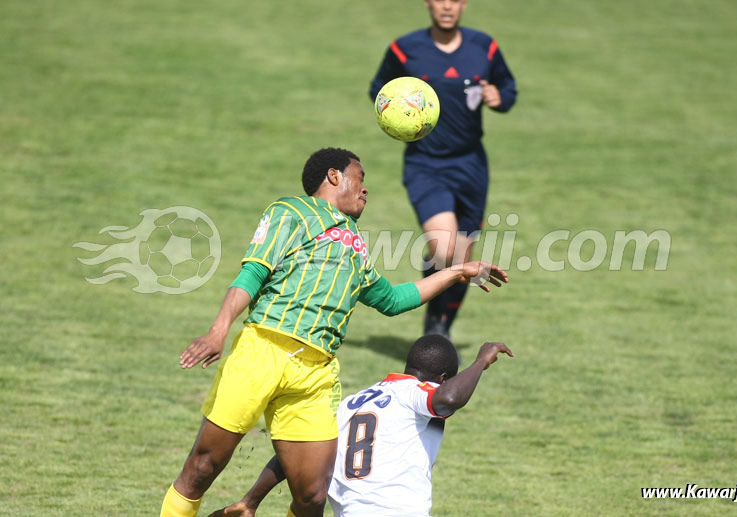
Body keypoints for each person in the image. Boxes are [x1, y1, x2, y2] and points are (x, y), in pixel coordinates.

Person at [160, 147, 509, 517]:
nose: (365, 189)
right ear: (333, 176)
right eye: (360, 178)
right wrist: (218, 330)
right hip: (264, 349)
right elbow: (252, 272)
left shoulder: (356, 246)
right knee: (203, 467)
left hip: (316, 374)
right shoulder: (290, 212)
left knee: (311, 495)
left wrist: (458, 271)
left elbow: (393, 299)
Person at [209, 335, 514, 517]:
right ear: (444, 377)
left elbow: (298, 456)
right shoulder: (415, 393)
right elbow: (447, 399)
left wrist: (251, 501)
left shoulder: (351, 404)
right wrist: (480, 362)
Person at [369, 0, 517, 343]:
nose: (447, 6)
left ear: (463, 4)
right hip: (425, 164)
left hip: (470, 165)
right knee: (444, 247)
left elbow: (508, 87)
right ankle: (434, 321)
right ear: (428, 3)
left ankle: (440, 328)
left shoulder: (485, 47)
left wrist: (499, 98)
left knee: (464, 257)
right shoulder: (405, 50)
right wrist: (396, 110)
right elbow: (379, 88)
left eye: (453, 0)